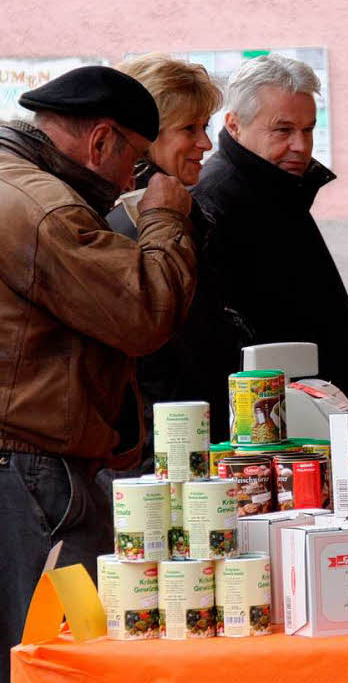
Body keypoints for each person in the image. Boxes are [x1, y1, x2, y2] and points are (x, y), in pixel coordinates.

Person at [0, 66, 197, 682]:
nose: (130, 181)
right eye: (135, 161)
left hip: (25, 462)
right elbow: (144, 313)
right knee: (60, 655)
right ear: (102, 141)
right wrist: (165, 219)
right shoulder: (45, 208)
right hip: (32, 470)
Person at [192, 54, 348, 406]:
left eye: (309, 129)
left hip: (304, 415)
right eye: (283, 129)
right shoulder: (216, 201)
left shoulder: (279, 190)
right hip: (266, 430)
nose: (300, 145)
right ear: (234, 126)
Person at [107, 54, 249, 442]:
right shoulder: (131, 217)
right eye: (190, 128)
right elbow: (156, 355)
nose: (205, 142)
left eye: (205, 126)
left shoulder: (174, 205)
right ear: (145, 135)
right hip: (169, 445)